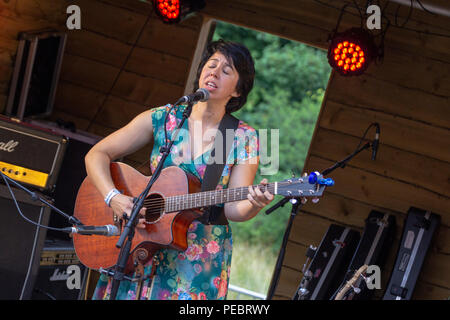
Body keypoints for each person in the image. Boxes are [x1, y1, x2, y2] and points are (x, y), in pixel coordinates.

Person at [87, 39, 274, 300]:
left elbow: (233, 209)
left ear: (238, 91)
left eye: (227, 70)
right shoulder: (167, 118)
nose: (214, 72)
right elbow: (97, 153)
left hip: (196, 257)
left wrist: (255, 203)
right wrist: (114, 197)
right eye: (212, 64)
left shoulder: (239, 137)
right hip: (142, 240)